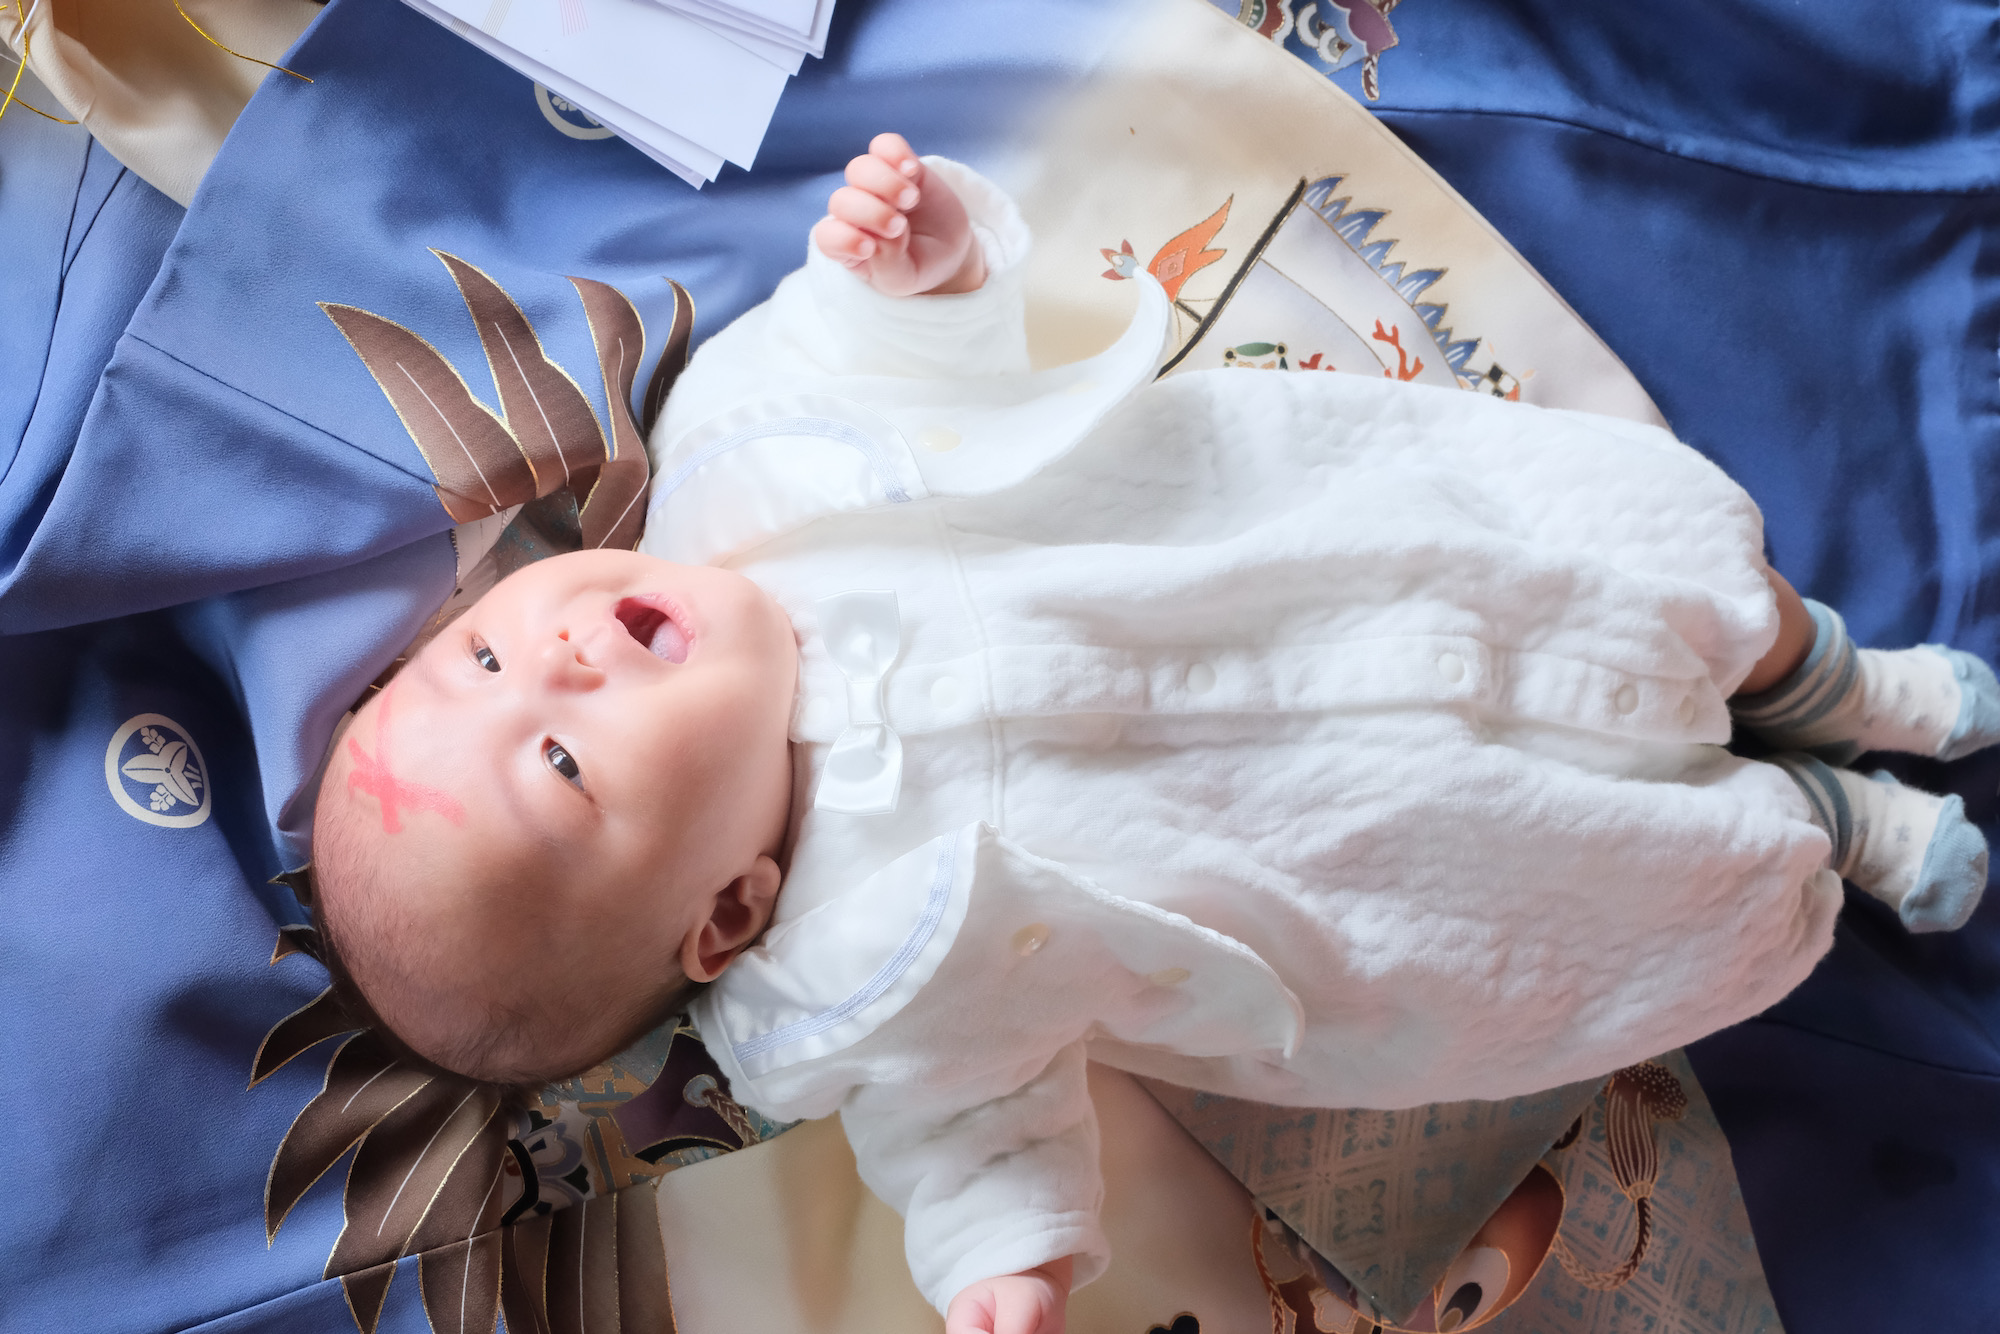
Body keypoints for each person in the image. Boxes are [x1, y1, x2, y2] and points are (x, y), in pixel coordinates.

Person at [308, 134, 1998, 1334]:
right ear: (726, 912)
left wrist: (918, 263)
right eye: (560, 766)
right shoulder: (852, 988)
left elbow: (917, 348)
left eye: (478, 656)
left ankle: (1856, 684)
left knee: (1667, 579)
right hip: (1378, 842)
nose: (554, 661)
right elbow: (972, 1134)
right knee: (1645, 856)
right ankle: (1840, 831)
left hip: (1348, 551)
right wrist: (1006, 1267)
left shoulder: (751, 459)